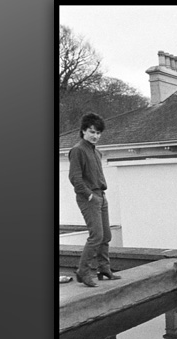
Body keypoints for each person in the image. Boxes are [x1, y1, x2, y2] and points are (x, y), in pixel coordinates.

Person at [68, 112, 121, 287]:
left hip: (101, 196)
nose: (95, 136)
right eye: (92, 132)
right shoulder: (78, 150)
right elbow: (75, 178)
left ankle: (104, 269)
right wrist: (89, 195)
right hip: (88, 197)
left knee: (106, 235)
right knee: (96, 236)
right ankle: (83, 271)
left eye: (98, 133)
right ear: (83, 131)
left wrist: (99, 197)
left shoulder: (96, 152)